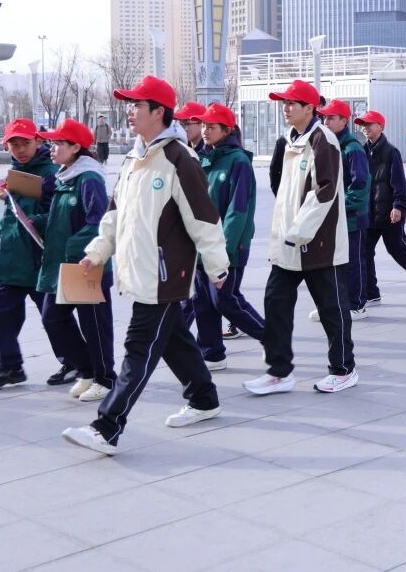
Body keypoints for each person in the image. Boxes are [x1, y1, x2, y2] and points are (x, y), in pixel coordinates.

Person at [62, 76, 231, 456]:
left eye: (137, 104)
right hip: (140, 271)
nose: (130, 110)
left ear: (159, 111)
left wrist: (217, 266)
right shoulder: (134, 158)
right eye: (129, 103)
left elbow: (203, 219)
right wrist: (97, 251)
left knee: (139, 347)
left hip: (164, 274)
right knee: (172, 339)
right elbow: (115, 213)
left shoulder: (179, 158)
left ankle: (107, 426)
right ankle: (204, 399)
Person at [243, 79, 357, 397]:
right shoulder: (289, 140)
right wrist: (286, 234)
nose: (286, 107)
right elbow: (282, 187)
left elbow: (326, 190)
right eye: (284, 102)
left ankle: (344, 369)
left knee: (332, 309)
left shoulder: (324, 141)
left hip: (319, 245)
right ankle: (279, 372)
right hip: (290, 246)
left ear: (310, 108)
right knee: (275, 301)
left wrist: (299, 231)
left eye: (292, 103)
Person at [32, 119, 116, 403]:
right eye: (51, 142)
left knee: (94, 323)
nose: (51, 148)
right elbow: (62, 218)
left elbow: (97, 222)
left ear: (76, 147)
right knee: (52, 318)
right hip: (63, 265)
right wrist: (35, 221)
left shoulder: (89, 178)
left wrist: (74, 248)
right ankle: (87, 370)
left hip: (85, 264)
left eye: (58, 143)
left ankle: (105, 378)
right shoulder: (64, 175)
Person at [0, 118, 61, 391]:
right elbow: (14, 211)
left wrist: (30, 216)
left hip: (38, 258)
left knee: (54, 317)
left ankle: (75, 362)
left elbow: (55, 215)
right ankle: (9, 366)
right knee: (1, 309)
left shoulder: (51, 172)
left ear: (38, 141)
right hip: (13, 257)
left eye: (26, 142)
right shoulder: (15, 171)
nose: (21, 149)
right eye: (14, 144)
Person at [178, 103, 267, 363]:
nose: (205, 130)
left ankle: (271, 338)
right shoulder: (202, 158)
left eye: (211, 126)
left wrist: (223, 252)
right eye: (203, 125)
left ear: (227, 130)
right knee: (203, 301)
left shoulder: (238, 162)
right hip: (201, 245)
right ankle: (212, 353)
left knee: (224, 300)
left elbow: (237, 212)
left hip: (227, 247)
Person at [355, 109, 406, 305]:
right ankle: (371, 293)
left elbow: (399, 184)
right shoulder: (361, 150)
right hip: (369, 215)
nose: (365, 128)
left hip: (389, 214)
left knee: (399, 253)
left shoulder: (391, 151)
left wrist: (398, 206)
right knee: (364, 253)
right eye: (363, 124)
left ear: (381, 126)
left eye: (369, 124)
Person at [314, 99, 373, 322]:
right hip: (331, 216)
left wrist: (340, 205)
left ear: (343, 120)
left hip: (350, 218)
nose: (326, 121)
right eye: (324, 117)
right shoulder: (326, 145)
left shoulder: (352, 149)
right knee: (331, 264)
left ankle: (357, 304)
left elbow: (360, 184)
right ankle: (335, 304)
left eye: (331, 118)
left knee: (352, 262)